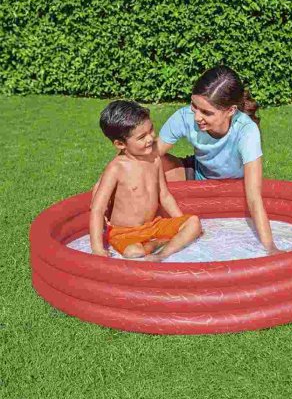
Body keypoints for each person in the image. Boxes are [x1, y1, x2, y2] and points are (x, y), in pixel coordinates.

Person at [158, 65, 281, 255]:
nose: (197, 117)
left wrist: (270, 247)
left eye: (206, 112)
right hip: (198, 174)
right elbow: (142, 156)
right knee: (153, 161)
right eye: (194, 106)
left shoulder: (245, 131)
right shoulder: (184, 117)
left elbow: (254, 197)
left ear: (231, 110)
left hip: (234, 187)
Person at [90, 100, 202, 261]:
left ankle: (162, 253)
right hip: (125, 232)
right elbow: (97, 208)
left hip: (153, 225)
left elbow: (164, 195)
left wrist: (180, 222)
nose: (150, 138)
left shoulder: (155, 160)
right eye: (142, 137)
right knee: (133, 252)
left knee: (193, 222)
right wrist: (97, 249)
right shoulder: (116, 168)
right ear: (120, 144)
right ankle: (157, 244)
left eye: (151, 130)